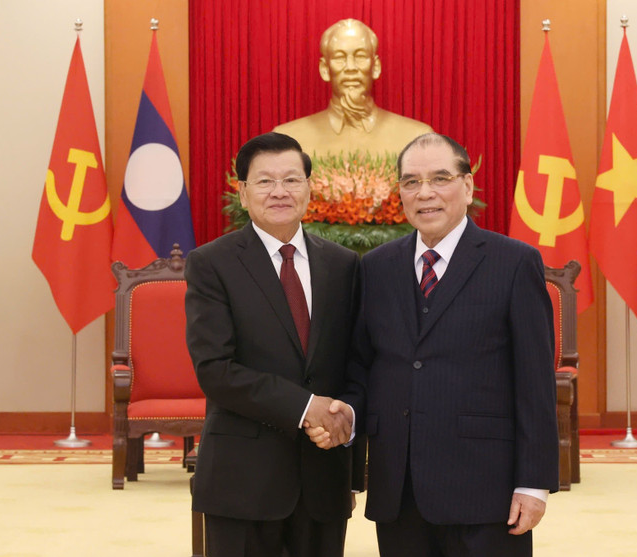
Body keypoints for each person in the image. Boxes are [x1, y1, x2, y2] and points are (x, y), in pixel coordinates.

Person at [308, 133, 559, 556]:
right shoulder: (376, 267)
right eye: (411, 182)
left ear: (468, 186)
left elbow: (535, 381)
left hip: (486, 488)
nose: (425, 193)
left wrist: (533, 484)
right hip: (398, 487)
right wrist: (347, 414)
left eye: (440, 178)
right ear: (400, 193)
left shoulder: (514, 262)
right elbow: (362, 367)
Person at [185, 132, 361, 557]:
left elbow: (358, 363)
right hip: (242, 481)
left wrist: (347, 417)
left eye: (291, 180)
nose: (279, 191)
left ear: (309, 188)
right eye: (265, 181)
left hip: (324, 478)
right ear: (243, 192)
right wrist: (305, 407)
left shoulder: (343, 265)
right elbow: (215, 370)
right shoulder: (211, 264)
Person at [273, 18, 432, 157]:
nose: (350, 67)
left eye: (360, 56)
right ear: (324, 69)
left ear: (376, 66)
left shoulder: (416, 138)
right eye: (339, 57)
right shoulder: (287, 141)